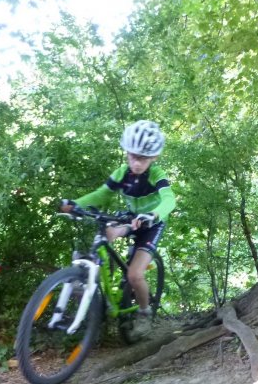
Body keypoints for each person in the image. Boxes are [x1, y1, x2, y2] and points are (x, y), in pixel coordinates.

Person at [61, 120, 175, 337]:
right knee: (106, 232)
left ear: (154, 157)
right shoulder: (122, 173)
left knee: (134, 276)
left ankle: (144, 312)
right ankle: (86, 275)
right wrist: (76, 204)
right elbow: (101, 194)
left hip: (152, 223)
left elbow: (169, 200)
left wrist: (154, 214)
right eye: (132, 155)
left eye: (142, 158)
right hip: (132, 218)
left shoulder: (156, 175)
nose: (136, 162)